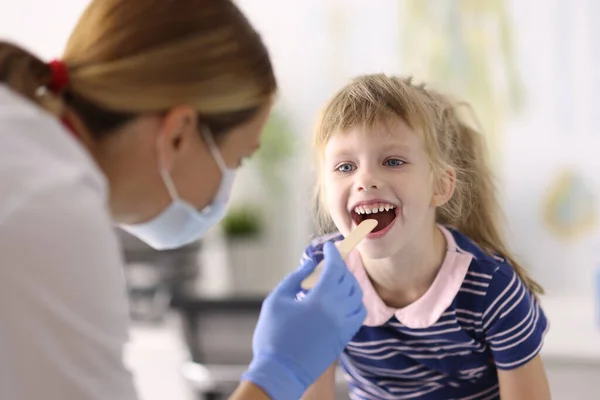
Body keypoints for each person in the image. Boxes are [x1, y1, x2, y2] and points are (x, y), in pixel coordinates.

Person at [0, 1, 366, 399]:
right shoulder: (51, 215)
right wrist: (277, 373)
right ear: (179, 133)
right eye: (237, 158)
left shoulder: (26, 153)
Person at [298, 74, 552, 399]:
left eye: (393, 161)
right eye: (345, 167)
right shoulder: (321, 273)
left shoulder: (493, 290)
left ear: (440, 185)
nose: (365, 180)